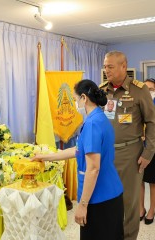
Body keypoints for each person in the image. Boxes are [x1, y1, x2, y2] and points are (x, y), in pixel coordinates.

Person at [32, 79, 124, 240]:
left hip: (99, 198)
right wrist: (45, 157)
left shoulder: (92, 124)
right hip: (111, 193)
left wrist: (82, 205)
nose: (75, 104)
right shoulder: (99, 118)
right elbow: (78, 150)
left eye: (75, 99)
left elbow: (93, 168)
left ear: (84, 97)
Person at [100, 51, 155, 240]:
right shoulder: (102, 91)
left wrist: (148, 153)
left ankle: (129, 237)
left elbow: (152, 122)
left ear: (124, 66)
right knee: (107, 198)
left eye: (110, 66)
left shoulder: (139, 90)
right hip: (105, 153)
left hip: (130, 153)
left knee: (129, 201)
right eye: (105, 66)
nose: (106, 70)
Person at [140, 78, 155, 225]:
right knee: (139, 180)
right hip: (138, 147)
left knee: (152, 182)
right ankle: (141, 209)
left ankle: (152, 210)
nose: (148, 92)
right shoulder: (136, 103)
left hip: (152, 147)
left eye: (151, 89)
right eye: (146, 89)